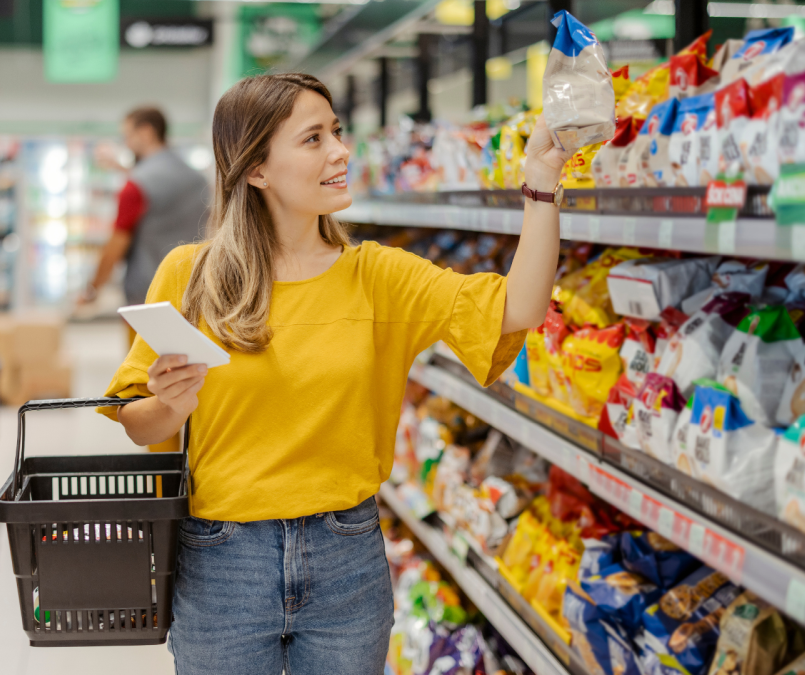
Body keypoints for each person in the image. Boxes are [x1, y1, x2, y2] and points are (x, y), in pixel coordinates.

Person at [98, 74, 568, 673]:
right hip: (222, 562)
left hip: (346, 560)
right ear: (257, 169)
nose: (341, 151)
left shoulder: (378, 277)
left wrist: (542, 182)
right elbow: (138, 424)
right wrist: (171, 404)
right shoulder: (193, 275)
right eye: (314, 138)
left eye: (337, 132)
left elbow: (518, 307)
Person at [84, 106, 208, 454]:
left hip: (147, 304)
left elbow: (117, 243)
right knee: (196, 390)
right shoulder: (197, 179)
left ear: (146, 132)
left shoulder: (136, 186)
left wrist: (93, 288)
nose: (126, 143)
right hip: (199, 298)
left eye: (128, 135)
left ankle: (163, 480)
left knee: (154, 396)